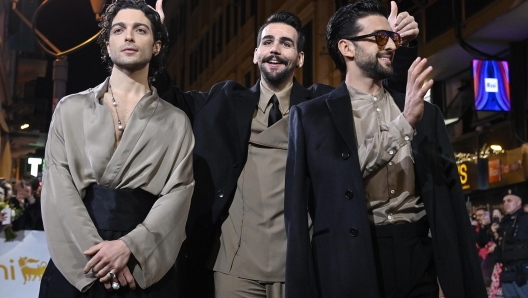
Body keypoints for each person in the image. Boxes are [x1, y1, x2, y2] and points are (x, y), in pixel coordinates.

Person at [156, 1, 419, 297]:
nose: (275, 49)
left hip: (299, 265)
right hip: (232, 267)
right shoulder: (224, 100)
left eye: (286, 43)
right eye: (267, 42)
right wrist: (156, 37)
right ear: (256, 54)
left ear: (300, 58)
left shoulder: (322, 106)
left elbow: (379, 97)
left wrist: (396, 45)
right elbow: (167, 98)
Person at [284, 1, 487, 297]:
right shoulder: (313, 116)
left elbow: (447, 199)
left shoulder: (425, 114)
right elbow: (337, 182)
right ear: (347, 48)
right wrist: (403, 125)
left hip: (417, 253)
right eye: (379, 38)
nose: (390, 45)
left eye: (392, 38)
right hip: (352, 257)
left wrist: (451, 277)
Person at [38, 0, 194, 296]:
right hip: (79, 257)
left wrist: (130, 247)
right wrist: (98, 255)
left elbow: (179, 194)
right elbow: (59, 186)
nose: (129, 37)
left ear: (157, 46)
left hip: (142, 262)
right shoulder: (71, 109)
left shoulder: (176, 122)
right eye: (119, 29)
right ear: (107, 45)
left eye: (141, 30)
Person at [491, 189, 528, 297]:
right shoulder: (504, 223)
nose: (505, 204)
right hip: (506, 275)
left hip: (523, 275)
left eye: (509, 200)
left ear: (519, 202)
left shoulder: (525, 219)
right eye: (504, 201)